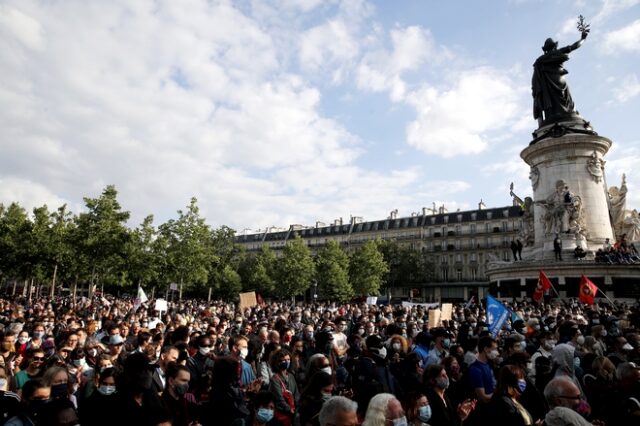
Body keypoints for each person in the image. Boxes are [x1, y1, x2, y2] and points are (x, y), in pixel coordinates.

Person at [532, 29, 588, 126]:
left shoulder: (540, 60)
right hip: (560, 80)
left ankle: (554, 115)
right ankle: (567, 114)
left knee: (553, 102)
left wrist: (535, 91)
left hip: (548, 86)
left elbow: (535, 78)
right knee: (567, 101)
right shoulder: (558, 53)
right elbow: (574, 46)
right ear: (554, 46)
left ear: (545, 49)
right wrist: (583, 38)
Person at [268, 348, 298, 426]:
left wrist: (297, 408)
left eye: (288, 359)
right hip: (280, 414)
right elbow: (279, 399)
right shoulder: (275, 378)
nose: (286, 362)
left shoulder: (291, 376)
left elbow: (296, 394)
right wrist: (289, 410)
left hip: (292, 413)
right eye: (283, 360)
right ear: (277, 363)